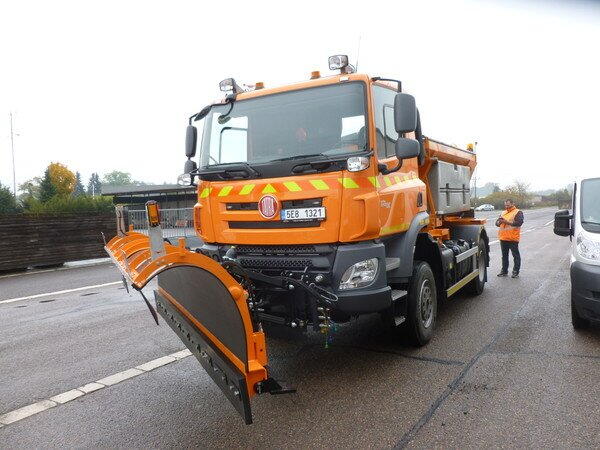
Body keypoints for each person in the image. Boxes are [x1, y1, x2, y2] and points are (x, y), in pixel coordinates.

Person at [496, 199, 524, 278]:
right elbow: (497, 223)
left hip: (513, 238)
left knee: (515, 255)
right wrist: (499, 222)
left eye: (508, 205)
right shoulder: (503, 212)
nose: (506, 206)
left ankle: (515, 272)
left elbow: (519, 223)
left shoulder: (518, 212)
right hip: (503, 237)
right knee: (504, 256)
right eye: (505, 205)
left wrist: (506, 222)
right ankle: (504, 271)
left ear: (513, 204)